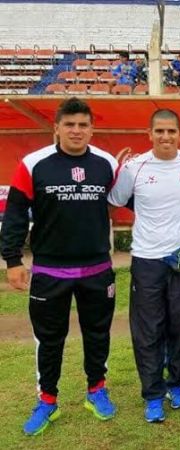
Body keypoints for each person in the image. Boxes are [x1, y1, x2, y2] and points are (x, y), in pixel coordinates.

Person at [0, 97, 119, 436]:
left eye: (83, 125)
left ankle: (96, 391)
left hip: (97, 268)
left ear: (92, 128)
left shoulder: (106, 163)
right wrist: (13, 260)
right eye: (69, 124)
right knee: (50, 340)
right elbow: (15, 214)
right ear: (56, 128)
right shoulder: (34, 163)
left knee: (98, 334)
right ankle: (48, 401)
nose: (77, 131)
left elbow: (121, 199)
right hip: (50, 271)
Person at [107, 109, 180, 423]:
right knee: (148, 330)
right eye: (159, 131)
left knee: (179, 325)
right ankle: (152, 393)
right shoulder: (134, 168)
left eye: (171, 131)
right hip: (147, 260)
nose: (165, 137)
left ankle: (175, 383)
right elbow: (117, 200)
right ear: (149, 134)